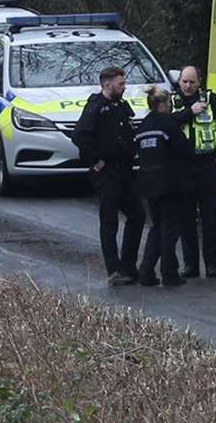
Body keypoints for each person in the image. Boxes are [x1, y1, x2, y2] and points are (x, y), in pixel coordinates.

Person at [72, 67, 143, 286]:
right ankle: (114, 269)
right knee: (109, 220)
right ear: (107, 84)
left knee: (137, 215)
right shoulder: (96, 107)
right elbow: (80, 136)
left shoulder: (120, 106)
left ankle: (129, 266)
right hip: (107, 172)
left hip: (125, 170)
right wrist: (96, 161)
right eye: (120, 84)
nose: (124, 87)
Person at [172, 66, 216, 279]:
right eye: (184, 82)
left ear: (199, 83)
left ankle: (212, 264)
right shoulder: (171, 102)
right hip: (182, 167)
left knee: (210, 218)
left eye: (192, 82)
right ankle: (190, 265)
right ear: (179, 82)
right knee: (186, 219)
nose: (187, 86)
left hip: (208, 165)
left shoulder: (211, 100)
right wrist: (190, 112)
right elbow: (166, 124)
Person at [133, 87, 194, 287]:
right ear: (161, 105)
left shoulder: (144, 126)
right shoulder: (167, 124)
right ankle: (169, 273)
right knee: (169, 229)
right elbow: (185, 149)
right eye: (169, 104)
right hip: (169, 183)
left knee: (157, 227)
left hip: (148, 183)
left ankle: (146, 272)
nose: (170, 107)